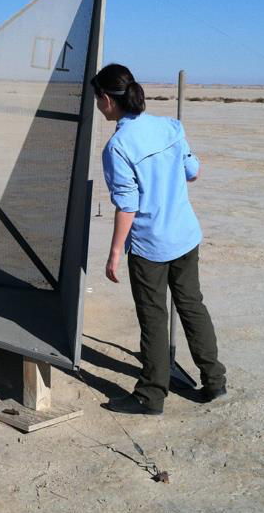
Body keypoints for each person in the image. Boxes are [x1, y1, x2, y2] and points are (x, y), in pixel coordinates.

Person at [92, 63, 226, 415]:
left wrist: (115, 252)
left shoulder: (117, 147)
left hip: (151, 246)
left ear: (107, 100)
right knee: (192, 305)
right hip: (185, 235)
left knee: (153, 317)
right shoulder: (170, 127)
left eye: (97, 98)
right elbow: (193, 171)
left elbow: (127, 206)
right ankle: (214, 381)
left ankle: (151, 395)